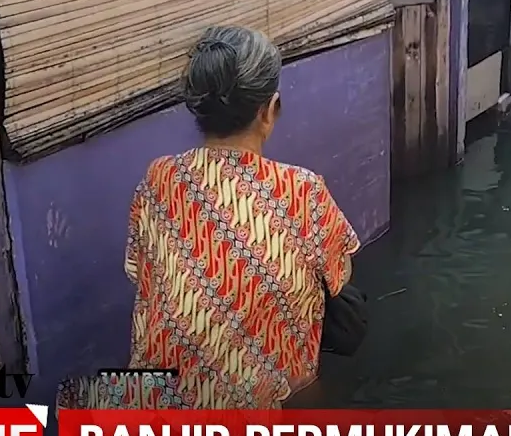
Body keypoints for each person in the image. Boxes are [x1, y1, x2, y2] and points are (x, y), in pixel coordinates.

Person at [119, 25, 360, 409]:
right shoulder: (303, 191)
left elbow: (141, 273)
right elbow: (340, 277)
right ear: (270, 110)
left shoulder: (159, 180)